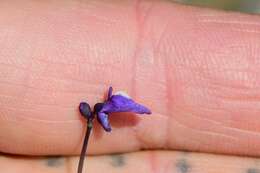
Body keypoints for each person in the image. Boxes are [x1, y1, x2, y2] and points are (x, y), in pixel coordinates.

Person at [0, 1, 260, 172]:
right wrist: (103, 119)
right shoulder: (104, 110)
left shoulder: (107, 109)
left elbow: (119, 112)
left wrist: (105, 118)